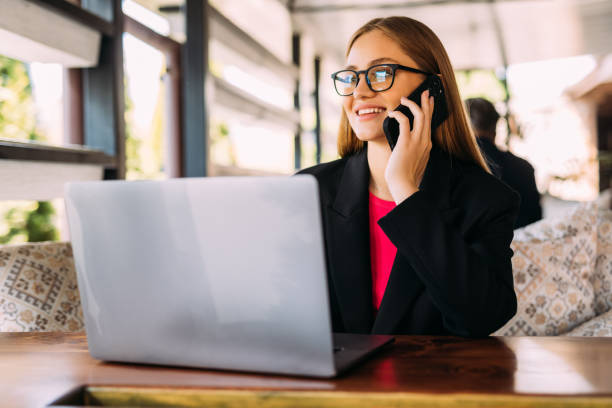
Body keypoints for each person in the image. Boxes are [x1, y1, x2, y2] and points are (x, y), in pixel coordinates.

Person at [297, 16, 519, 337]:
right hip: (333, 385)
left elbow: (481, 319)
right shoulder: (309, 191)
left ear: (432, 90)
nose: (359, 91)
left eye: (381, 73)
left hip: (430, 385)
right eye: (351, 77)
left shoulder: (485, 199)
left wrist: (406, 191)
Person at [465, 97, 542, 229]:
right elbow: (536, 223)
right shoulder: (525, 168)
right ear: (494, 128)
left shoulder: (454, 170)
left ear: (463, 127)